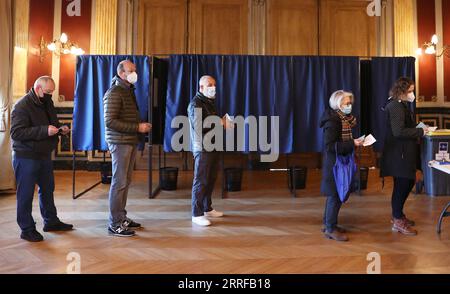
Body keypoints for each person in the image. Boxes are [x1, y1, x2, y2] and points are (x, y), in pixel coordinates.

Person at [10, 76, 73, 242]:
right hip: (26, 156)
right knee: (25, 194)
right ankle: (27, 229)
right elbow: (16, 133)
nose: (50, 95)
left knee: (47, 189)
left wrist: (60, 129)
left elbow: (52, 123)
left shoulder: (47, 102)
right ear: (38, 88)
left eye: (52, 92)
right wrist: (45, 131)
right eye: (48, 92)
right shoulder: (21, 106)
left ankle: (51, 222)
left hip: (43, 154)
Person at [103, 60, 152, 237]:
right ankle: (114, 223)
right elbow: (109, 121)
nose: (135, 73)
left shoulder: (127, 90)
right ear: (122, 73)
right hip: (120, 142)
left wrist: (137, 127)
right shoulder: (115, 92)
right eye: (131, 71)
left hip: (128, 140)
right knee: (119, 182)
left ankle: (121, 217)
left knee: (125, 181)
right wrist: (137, 128)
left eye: (135, 70)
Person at [380, 77, 427, 236]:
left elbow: (404, 127)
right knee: (403, 184)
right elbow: (398, 132)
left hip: (402, 152)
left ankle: (398, 216)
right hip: (398, 153)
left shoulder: (400, 105)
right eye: (410, 91)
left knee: (405, 183)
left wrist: (418, 128)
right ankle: (397, 219)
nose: (412, 94)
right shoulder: (395, 106)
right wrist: (420, 131)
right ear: (401, 91)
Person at [319, 90, 364, 242]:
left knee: (335, 195)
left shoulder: (342, 118)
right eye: (347, 103)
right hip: (335, 164)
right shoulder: (333, 121)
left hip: (339, 162)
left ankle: (328, 224)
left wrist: (353, 142)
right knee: (335, 195)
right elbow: (329, 145)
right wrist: (353, 143)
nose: (349, 105)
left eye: (350, 103)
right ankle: (330, 229)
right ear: (338, 103)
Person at [187, 75, 231, 226]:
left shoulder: (209, 103)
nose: (213, 88)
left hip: (213, 146)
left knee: (211, 179)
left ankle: (207, 208)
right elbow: (199, 126)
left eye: (214, 85)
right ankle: (196, 213)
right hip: (202, 148)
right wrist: (220, 122)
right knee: (201, 180)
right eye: (209, 85)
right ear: (201, 88)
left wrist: (223, 123)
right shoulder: (196, 103)